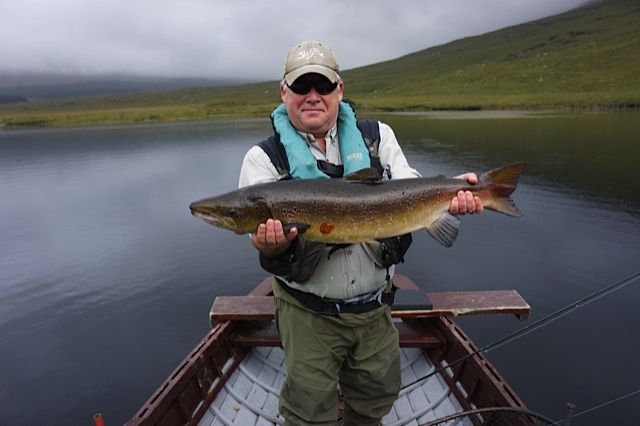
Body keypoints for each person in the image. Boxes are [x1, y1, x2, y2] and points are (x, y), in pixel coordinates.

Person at [238, 40, 483, 426]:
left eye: (323, 85)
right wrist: (271, 247)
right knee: (308, 412)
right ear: (284, 92)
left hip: (375, 309)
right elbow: (267, 250)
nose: (313, 96)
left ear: (340, 90)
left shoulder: (377, 137)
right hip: (306, 315)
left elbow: (410, 183)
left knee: (375, 399)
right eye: (301, 86)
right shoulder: (263, 159)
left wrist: (453, 192)